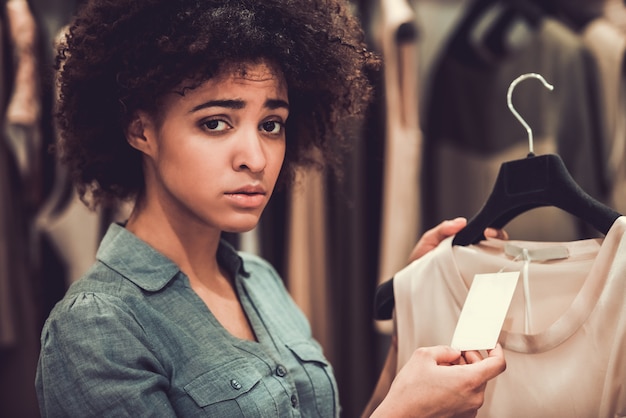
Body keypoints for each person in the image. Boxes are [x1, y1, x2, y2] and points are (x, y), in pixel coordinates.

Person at [35, 0, 506, 417]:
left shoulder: (260, 280)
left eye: (271, 124)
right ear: (142, 132)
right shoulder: (95, 329)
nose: (256, 158)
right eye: (216, 123)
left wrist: (406, 330)